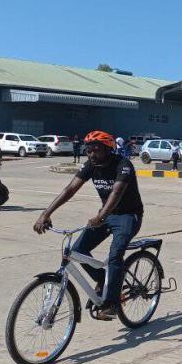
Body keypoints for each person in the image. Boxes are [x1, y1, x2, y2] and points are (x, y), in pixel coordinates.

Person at [33, 130, 144, 321]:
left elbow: (116, 193)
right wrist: (46, 213)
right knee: (78, 250)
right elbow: (70, 189)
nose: (91, 154)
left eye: (96, 150)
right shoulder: (91, 165)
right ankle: (102, 278)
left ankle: (112, 303)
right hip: (106, 215)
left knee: (115, 255)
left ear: (108, 149)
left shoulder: (123, 165)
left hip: (128, 216)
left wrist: (101, 216)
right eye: (88, 150)